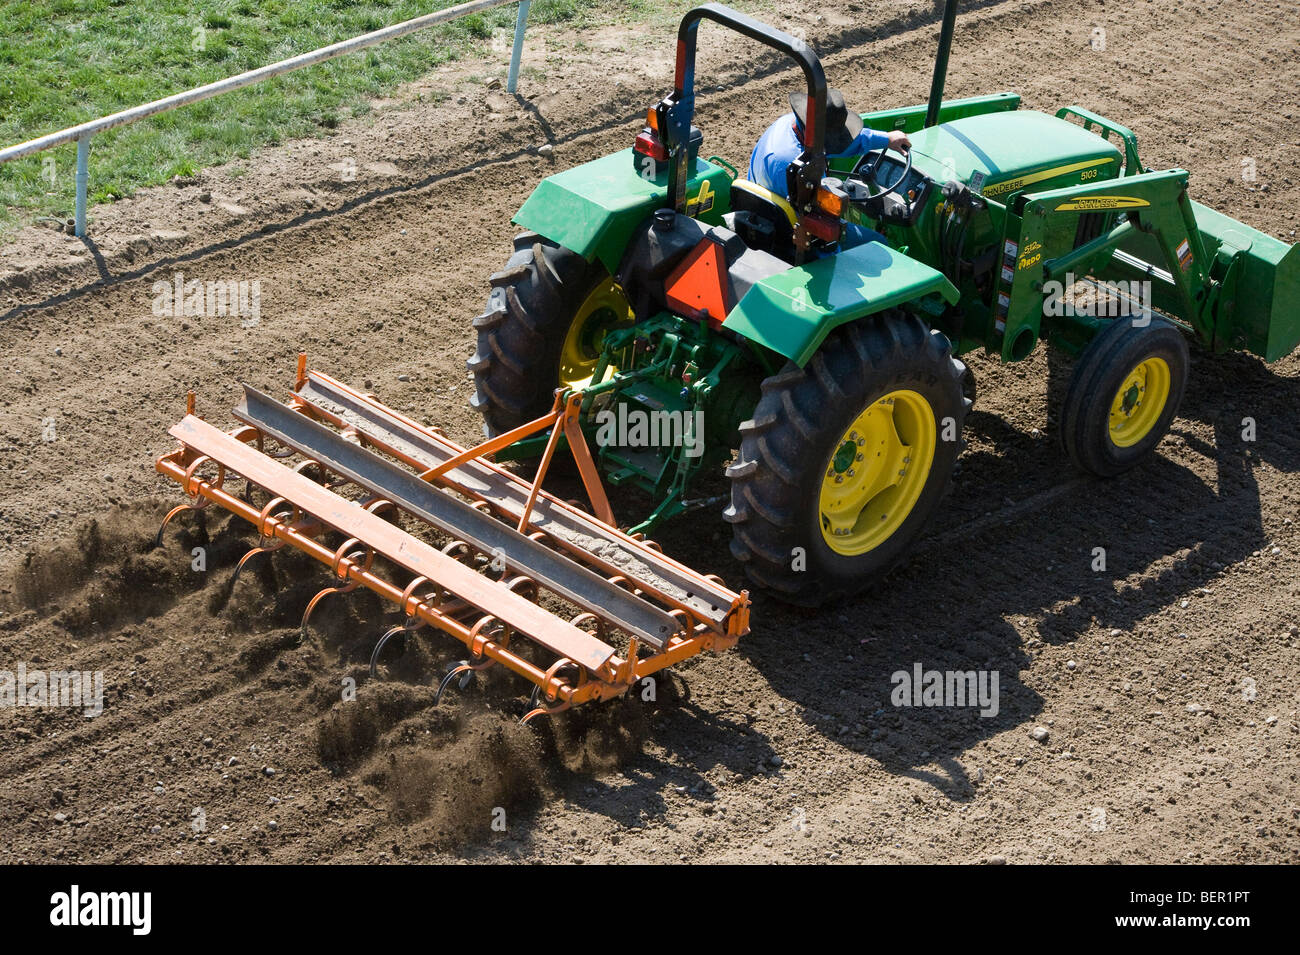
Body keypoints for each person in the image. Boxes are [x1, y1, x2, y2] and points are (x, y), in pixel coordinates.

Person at [747, 89, 911, 248]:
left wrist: (886, 139)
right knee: (877, 243)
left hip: (763, 214)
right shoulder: (798, 168)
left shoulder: (790, 125)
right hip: (792, 233)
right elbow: (822, 230)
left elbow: (842, 144)